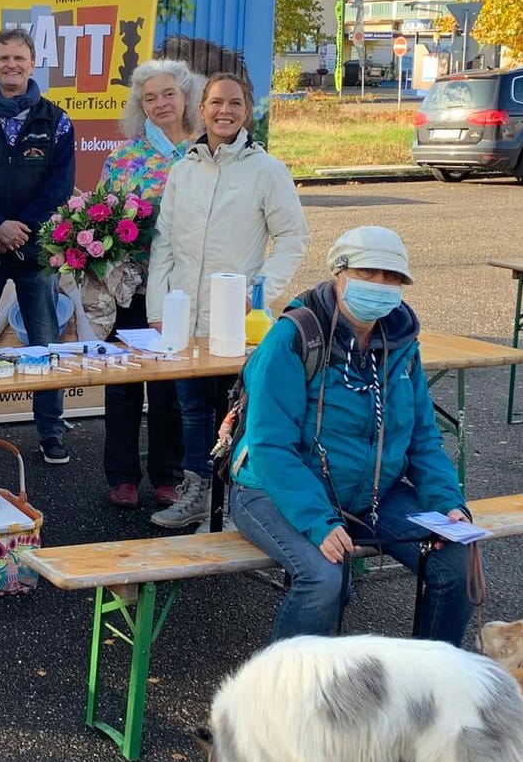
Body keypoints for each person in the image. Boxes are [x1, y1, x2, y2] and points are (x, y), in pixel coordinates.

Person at [227, 226, 475, 644]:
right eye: (369, 273)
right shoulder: (292, 337)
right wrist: (319, 522)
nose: (380, 286)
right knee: (324, 578)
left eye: (392, 277)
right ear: (338, 274)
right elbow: (270, 447)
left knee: (457, 565)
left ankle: (429, 690)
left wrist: (448, 503)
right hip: (270, 489)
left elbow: (423, 439)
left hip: (371, 493)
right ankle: (286, 696)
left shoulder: (401, 344)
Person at [146, 71, 310, 529]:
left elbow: (293, 238)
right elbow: (164, 243)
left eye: (235, 103)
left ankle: (238, 504)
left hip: (237, 321)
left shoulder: (266, 171)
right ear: (201, 108)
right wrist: (159, 310)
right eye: (216, 102)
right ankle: (198, 493)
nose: (224, 111)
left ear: (247, 110)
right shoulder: (184, 169)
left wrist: (258, 295)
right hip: (185, 318)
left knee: (236, 412)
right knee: (192, 408)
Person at [0, 27, 75, 465]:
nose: (12, 65)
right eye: (4, 58)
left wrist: (22, 229)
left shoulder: (55, 121)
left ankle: (51, 433)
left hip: (34, 248)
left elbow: (60, 186)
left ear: (32, 62)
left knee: (44, 343)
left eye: (20, 58)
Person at [96, 60, 201, 508]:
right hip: (131, 288)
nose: (161, 104)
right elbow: (101, 218)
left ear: (186, 99)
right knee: (122, 383)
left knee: (169, 389)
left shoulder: (203, 153)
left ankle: (167, 473)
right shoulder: (124, 159)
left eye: (168, 94)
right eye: (150, 98)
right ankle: (121, 475)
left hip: (183, 292)